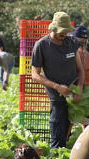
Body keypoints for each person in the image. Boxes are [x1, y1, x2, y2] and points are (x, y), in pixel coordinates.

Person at [31, 12, 85, 148]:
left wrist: (79, 88)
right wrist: (57, 87)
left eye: (66, 31)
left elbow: (80, 69)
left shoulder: (72, 42)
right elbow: (35, 75)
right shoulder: (42, 45)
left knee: (72, 133)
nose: (64, 34)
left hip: (74, 96)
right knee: (58, 136)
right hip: (56, 97)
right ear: (53, 28)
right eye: (62, 31)